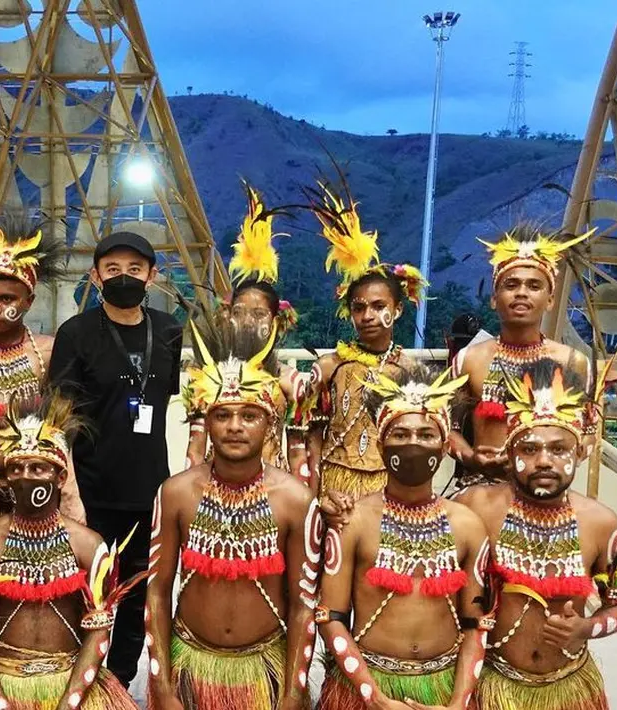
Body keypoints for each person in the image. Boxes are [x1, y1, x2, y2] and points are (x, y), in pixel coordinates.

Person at [147, 316, 317, 710]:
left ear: (269, 423)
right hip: (192, 669)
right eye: (222, 415)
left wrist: (293, 693)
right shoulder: (175, 494)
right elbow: (157, 592)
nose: (235, 427)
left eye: (249, 416)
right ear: (206, 421)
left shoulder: (294, 500)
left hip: (264, 673)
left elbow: (303, 603)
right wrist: (164, 688)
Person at [456, 359, 617, 710]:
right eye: (529, 449)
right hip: (491, 686)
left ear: (579, 452)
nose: (544, 461)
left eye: (558, 449)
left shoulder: (603, 524)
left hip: (570, 688)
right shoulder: (474, 506)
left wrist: (586, 628)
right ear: (509, 453)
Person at [47, 231, 183, 686]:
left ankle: (119, 682)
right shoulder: (76, 334)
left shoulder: (169, 330)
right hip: (92, 491)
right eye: (113, 270)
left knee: (137, 594)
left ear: (151, 276)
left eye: (135, 269)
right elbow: (59, 419)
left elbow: (165, 401)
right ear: (95, 276)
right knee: (86, 591)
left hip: (150, 491)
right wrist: (69, 492)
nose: (124, 277)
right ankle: (78, 680)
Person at [0, 392, 139, 710]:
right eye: (16, 468)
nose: (25, 476)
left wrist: (70, 702)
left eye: (38, 468)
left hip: (72, 684)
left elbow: (98, 633)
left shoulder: (89, 546)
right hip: (2, 685)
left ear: (60, 477)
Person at [315, 366, 490, 710]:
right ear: (380, 446)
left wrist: (458, 703)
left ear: (444, 447)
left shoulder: (468, 526)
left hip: (443, 689)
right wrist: (374, 697)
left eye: (426, 434)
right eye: (400, 434)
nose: (413, 443)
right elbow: (329, 618)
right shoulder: (353, 521)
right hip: (366, 685)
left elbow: (477, 625)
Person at [0, 214, 84, 526]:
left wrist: (68, 493)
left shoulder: (48, 351)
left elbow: (61, 430)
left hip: (35, 497)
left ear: (28, 302)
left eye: (6, 298)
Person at [303, 179, 423, 500]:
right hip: (334, 486)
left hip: (389, 488)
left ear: (397, 310)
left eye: (378, 306)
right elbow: (310, 436)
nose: (368, 315)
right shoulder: (329, 367)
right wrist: (315, 498)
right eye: (359, 308)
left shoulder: (410, 371)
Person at [449, 226, 594, 488]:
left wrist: (548, 466)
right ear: (494, 299)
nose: (521, 292)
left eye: (534, 286)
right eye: (511, 284)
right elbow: (446, 429)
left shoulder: (573, 362)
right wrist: (472, 458)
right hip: (483, 491)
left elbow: (589, 434)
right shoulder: (469, 359)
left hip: (547, 494)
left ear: (550, 300)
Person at [184, 183, 310, 482]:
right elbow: (195, 451)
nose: (248, 322)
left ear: (277, 321)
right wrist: (190, 493)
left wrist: (301, 498)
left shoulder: (290, 381)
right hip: (217, 486)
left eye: (259, 314)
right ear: (227, 317)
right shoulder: (208, 376)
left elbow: (298, 454)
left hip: (275, 490)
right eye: (239, 313)